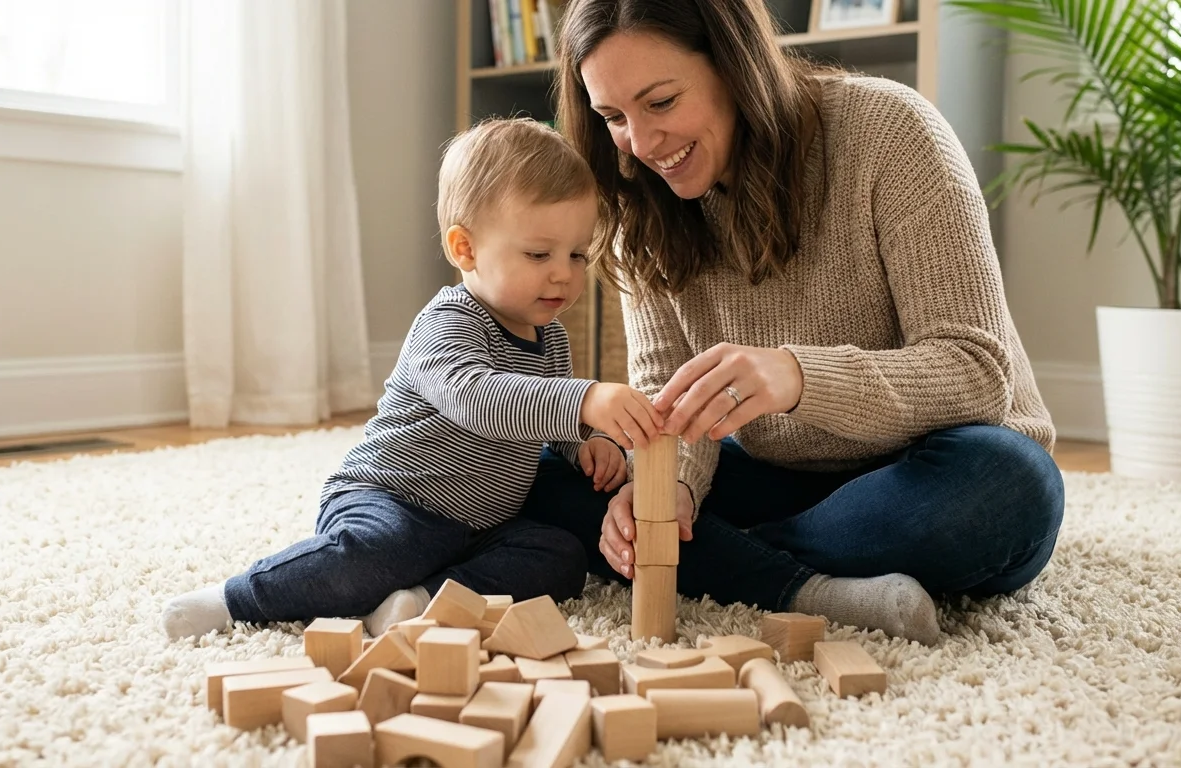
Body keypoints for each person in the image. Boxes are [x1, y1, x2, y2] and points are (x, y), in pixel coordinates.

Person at [518, 0, 1066, 646]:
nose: (639, 145)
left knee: (1011, 486)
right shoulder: (641, 199)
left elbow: (977, 374)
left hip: (932, 466)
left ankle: (735, 562)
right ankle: (800, 581)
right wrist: (671, 494)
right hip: (787, 479)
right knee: (545, 473)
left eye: (660, 103)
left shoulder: (890, 132)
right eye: (613, 117)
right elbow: (672, 397)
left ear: (733, 65)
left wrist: (798, 376)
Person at [162, 118, 663, 641]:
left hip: (480, 525)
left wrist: (585, 442)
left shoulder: (551, 339)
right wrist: (585, 400)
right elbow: (478, 397)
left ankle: (418, 601)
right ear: (465, 249)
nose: (564, 272)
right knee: (382, 551)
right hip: (391, 499)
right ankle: (233, 598)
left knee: (559, 557)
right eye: (540, 254)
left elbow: (545, 421)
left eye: (578, 254)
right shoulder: (449, 322)